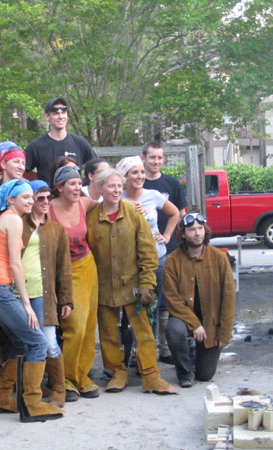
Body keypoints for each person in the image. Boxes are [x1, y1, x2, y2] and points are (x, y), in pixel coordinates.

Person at [86, 167, 178, 395]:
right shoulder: (91, 217)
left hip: (134, 285)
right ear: (100, 189)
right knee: (108, 334)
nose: (116, 190)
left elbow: (148, 250)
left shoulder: (134, 212)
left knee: (144, 332)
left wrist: (147, 283)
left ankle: (151, 376)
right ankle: (117, 373)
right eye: (111, 186)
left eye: (119, 186)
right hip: (104, 286)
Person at [0, 179, 63, 423]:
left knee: (21, 342)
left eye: (31, 197)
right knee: (37, 342)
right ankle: (32, 403)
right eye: (25, 197)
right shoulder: (14, 219)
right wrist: (27, 304)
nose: (30, 201)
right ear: (10, 200)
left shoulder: (5, 218)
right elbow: (15, 264)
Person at [164, 213, 236, 388]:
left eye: (200, 228)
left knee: (205, 375)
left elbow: (229, 296)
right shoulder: (172, 261)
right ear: (183, 234)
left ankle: (195, 352)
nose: (197, 233)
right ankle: (184, 371)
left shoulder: (219, 257)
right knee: (174, 330)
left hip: (210, 324)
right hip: (185, 321)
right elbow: (172, 299)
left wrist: (224, 332)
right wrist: (195, 324)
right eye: (191, 230)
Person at [48, 165, 99, 401]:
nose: (77, 188)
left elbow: (108, 201)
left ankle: (82, 376)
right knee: (74, 327)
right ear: (59, 187)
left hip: (89, 266)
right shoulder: (49, 210)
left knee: (89, 326)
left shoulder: (85, 202)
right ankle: (64, 379)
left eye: (79, 183)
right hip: (67, 272)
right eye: (72, 184)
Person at [21, 179, 73, 407]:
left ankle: (59, 387)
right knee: (26, 343)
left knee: (50, 342)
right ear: (30, 199)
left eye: (47, 198)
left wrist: (66, 299)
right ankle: (29, 390)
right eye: (39, 197)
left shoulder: (56, 229)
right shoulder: (17, 224)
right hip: (19, 294)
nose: (44, 202)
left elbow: (65, 267)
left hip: (45, 296)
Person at [117, 156, 179, 337]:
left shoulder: (153, 196)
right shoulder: (116, 198)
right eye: (134, 172)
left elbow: (175, 213)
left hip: (156, 261)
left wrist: (166, 236)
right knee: (130, 309)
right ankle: (130, 351)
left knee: (151, 306)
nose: (140, 176)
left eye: (142, 172)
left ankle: (150, 352)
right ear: (125, 176)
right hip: (128, 263)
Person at [141, 142, 188, 362]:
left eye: (160, 158)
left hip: (167, 251)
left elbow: (180, 212)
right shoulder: (137, 185)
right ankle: (141, 350)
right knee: (144, 301)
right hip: (140, 254)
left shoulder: (171, 184)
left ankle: (166, 349)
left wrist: (169, 236)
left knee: (165, 301)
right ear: (144, 158)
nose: (156, 162)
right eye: (152, 158)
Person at [25, 97, 98, 184]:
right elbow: (21, 172)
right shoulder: (36, 146)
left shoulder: (80, 143)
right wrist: (37, 187)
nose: (61, 117)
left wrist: (85, 186)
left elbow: (98, 168)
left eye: (63, 113)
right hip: (49, 196)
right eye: (56, 113)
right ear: (47, 116)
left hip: (75, 196)